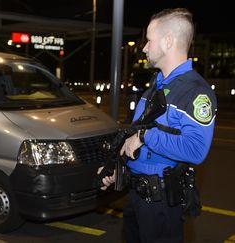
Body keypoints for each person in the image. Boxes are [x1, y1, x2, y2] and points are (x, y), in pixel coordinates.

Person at [99, 8, 217, 243]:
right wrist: (116, 167)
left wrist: (145, 136)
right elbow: (134, 133)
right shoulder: (156, 85)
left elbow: (196, 149)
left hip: (161, 203)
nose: (144, 48)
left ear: (168, 41)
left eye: (149, 40)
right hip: (136, 197)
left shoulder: (194, 92)